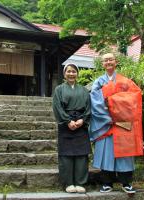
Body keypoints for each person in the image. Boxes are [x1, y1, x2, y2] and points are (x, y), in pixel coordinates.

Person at [89, 52, 143, 194]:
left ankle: (126, 183)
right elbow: (95, 100)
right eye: (105, 60)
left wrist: (113, 102)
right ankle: (107, 183)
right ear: (102, 64)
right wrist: (109, 115)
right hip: (106, 123)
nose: (108, 62)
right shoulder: (98, 82)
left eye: (110, 59)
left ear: (116, 62)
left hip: (123, 123)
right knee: (106, 153)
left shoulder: (126, 81)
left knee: (125, 154)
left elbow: (134, 97)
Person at [52, 63, 91, 193]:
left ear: (77, 74)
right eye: (68, 71)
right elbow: (57, 106)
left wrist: (82, 120)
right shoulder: (59, 89)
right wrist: (67, 121)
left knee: (81, 154)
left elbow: (89, 107)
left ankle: (80, 182)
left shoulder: (84, 90)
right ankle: (68, 183)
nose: (71, 74)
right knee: (66, 155)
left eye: (74, 71)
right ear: (64, 74)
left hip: (81, 123)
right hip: (65, 123)